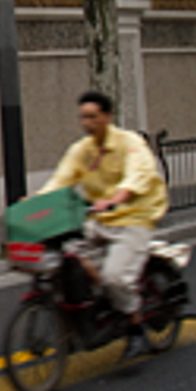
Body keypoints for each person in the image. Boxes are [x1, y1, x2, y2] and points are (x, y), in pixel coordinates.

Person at [38, 91, 169, 360]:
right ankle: (106, 304)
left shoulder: (129, 142)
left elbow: (139, 174)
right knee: (70, 255)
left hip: (134, 217)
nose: (86, 123)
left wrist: (117, 197)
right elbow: (60, 179)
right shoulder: (82, 150)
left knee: (114, 276)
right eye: (83, 117)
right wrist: (37, 202)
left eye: (92, 117)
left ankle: (136, 327)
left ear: (107, 117)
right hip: (100, 220)